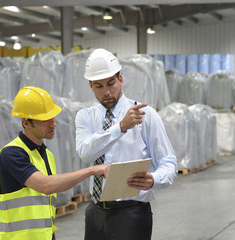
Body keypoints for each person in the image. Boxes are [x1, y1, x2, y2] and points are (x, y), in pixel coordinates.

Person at [75, 48, 178, 240]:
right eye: (99, 86)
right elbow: (85, 153)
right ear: (90, 85)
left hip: (132, 214)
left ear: (120, 79)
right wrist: (120, 127)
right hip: (95, 213)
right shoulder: (85, 117)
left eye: (111, 83)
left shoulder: (146, 116)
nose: (106, 92)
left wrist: (154, 179)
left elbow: (169, 162)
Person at [0, 86, 109, 240]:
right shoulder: (11, 154)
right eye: (44, 119)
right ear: (25, 122)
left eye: (53, 117)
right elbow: (45, 185)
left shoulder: (46, 155)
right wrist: (90, 170)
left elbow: (45, 203)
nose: (53, 124)